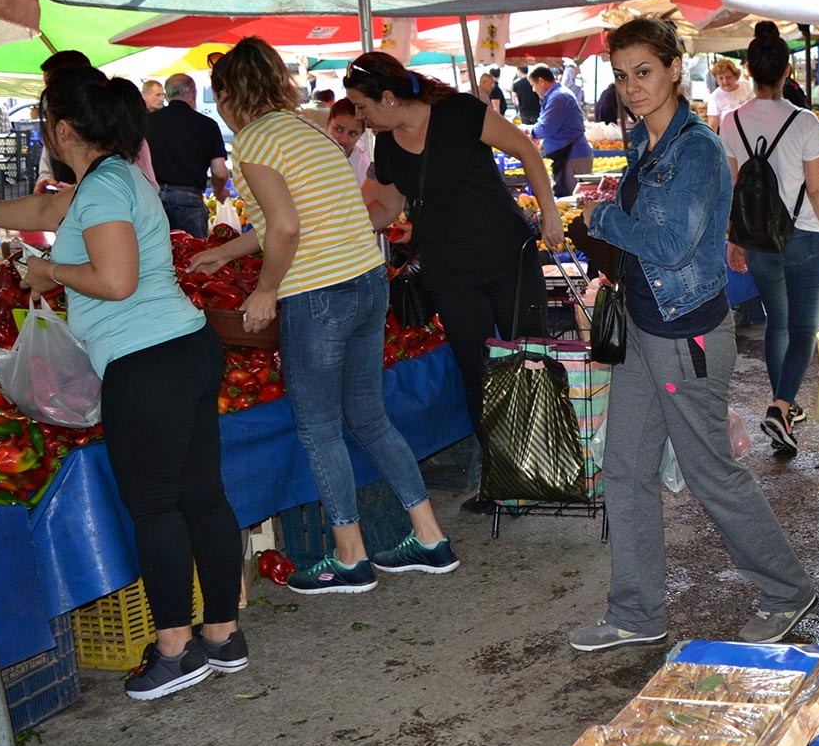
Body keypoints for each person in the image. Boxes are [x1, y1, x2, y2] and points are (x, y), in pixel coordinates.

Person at [0, 68, 242, 701]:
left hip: (147, 359)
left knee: (156, 507)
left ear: (63, 128)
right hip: (182, 347)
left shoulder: (103, 189)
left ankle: (174, 650)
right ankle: (221, 634)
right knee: (201, 497)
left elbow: (114, 281)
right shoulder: (110, 178)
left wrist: (43, 268)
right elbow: (47, 208)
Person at [570, 17, 815, 651]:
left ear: (677, 68)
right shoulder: (644, 144)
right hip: (647, 328)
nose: (632, 87)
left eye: (644, 72)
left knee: (710, 473)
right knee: (623, 469)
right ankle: (636, 612)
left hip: (688, 337)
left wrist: (603, 218)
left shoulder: (697, 149)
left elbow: (674, 247)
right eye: (622, 76)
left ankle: (787, 588)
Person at [194, 39, 457, 594]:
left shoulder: (252, 143)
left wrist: (266, 290)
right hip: (365, 281)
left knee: (318, 427)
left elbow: (286, 228)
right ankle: (431, 538)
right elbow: (297, 219)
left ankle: (349, 556)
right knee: (368, 417)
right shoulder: (306, 129)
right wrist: (231, 251)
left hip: (319, 294)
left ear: (228, 94)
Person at [346, 53, 562, 485]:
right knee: (475, 371)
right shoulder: (385, 145)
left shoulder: (461, 111)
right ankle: (504, 478)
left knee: (531, 359)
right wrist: (334, 229)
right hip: (449, 272)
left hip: (508, 258)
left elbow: (525, 149)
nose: (359, 116)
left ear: (387, 98)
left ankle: (550, 464)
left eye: (362, 106)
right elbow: (385, 208)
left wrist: (549, 211)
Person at [720, 24, 819, 453]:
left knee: (777, 323)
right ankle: (780, 407)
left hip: (758, 238)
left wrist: (733, 239)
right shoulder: (804, 121)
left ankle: (785, 411)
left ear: (749, 70)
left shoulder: (730, 120)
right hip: (805, 236)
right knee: (803, 330)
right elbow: (817, 190)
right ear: (787, 70)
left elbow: (735, 186)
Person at [144, 74, 229, 238]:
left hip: (152, 200)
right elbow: (220, 172)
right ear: (193, 93)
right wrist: (219, 192)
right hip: (188, 201)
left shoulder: (147, 122)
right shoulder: (207, 125)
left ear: (168, 95)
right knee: (193, 257)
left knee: (155, 259)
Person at [530, 64, 595, 197]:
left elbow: (545, 128)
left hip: (573, 156)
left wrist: (529, 131)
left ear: (541, 81)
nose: (533, 89)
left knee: (575, 201)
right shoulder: (557, 95)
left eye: (533, 85)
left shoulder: (559, 97)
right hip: (569, 155)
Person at [326, 98, 373, 186]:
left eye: (352, 134)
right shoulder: (309, 155)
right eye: (339, 129)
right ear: (327, 124)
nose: (343, 139)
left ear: (361, 134)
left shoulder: (364, 166)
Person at [705, 57, 750, 135]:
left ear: (735, 76)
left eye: (728, 77)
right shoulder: (714, 98)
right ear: (716, 79)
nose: (725, 81)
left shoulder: (746, 86)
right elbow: (712, 127)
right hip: (730, 139)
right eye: (721, 78)